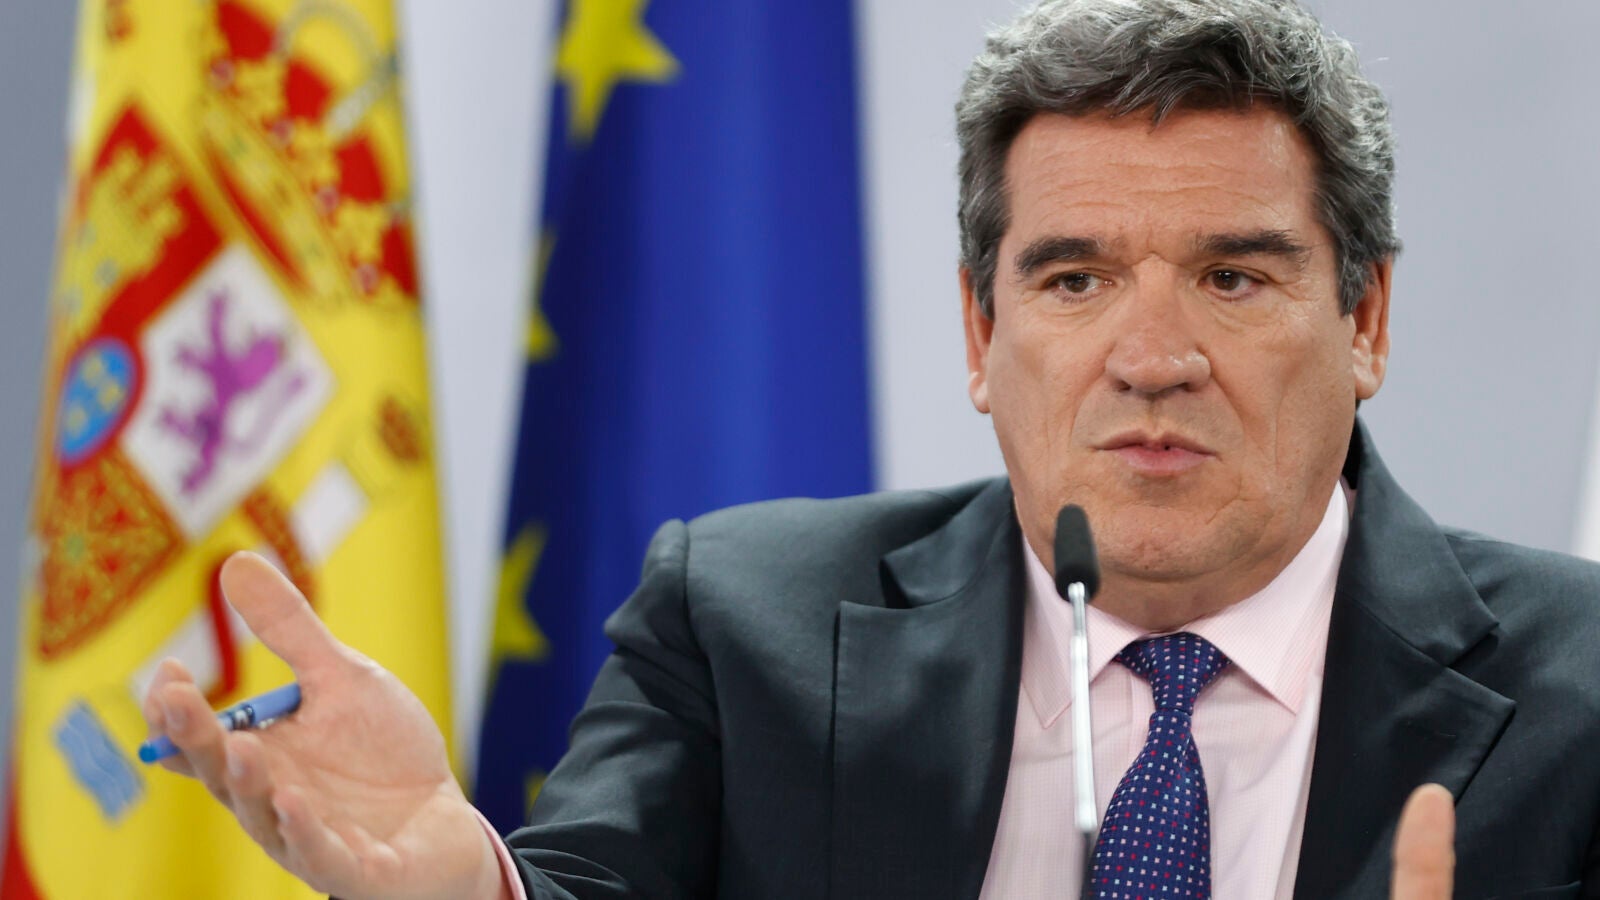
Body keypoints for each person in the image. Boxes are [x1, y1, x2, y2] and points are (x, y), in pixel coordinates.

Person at [142, 0, 1600, 897]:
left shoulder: (1580, 694)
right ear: (979, 331)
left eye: (1232, 276)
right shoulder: (747, 623)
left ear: (1365, 320)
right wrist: (469, 891)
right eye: (1074, 279)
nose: (1152, 357)